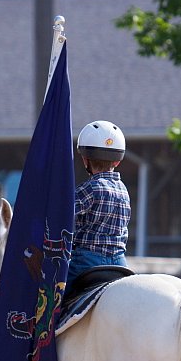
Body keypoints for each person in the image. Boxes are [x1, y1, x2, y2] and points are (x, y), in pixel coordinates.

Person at [64, 120, 131, 298]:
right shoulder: (124, 189)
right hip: (119, 262)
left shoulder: (90, 188)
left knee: (49, 298)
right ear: (117, 162)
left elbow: (61, 216)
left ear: (85, 159)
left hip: (86, 261)